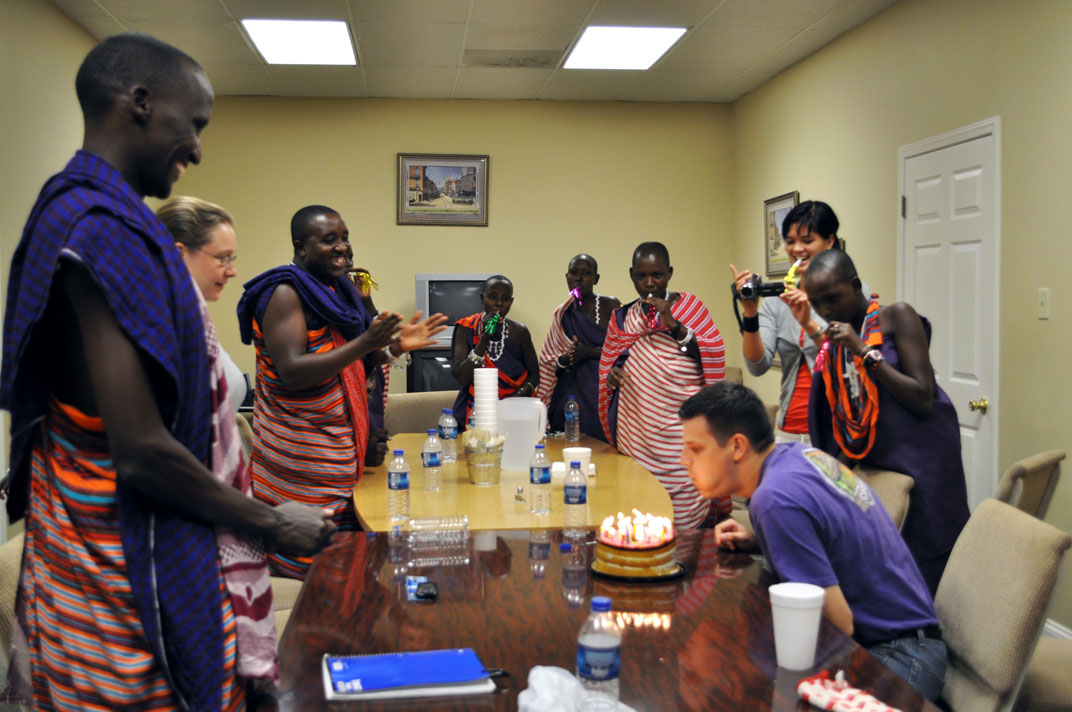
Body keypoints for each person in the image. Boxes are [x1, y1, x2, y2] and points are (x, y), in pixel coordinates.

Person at [0, 33, 334, 710]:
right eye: (195, 123)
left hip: (121, 552)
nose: (198, 149)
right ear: (141, 102)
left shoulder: (95, 215)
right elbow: (142, 451)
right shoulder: (100, 229)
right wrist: (272, 522)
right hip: (122, 575)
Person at [679, 382, 948, 702]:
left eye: (695, 449)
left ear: (737, 446)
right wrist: (759, 541)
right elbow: (826, 534)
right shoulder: (795, 456)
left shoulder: (775, 499)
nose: (684, 460)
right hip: (908, 640)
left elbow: (840, 624)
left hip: (896, 656)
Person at [237, 205, 446, 579]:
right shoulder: (285, 293)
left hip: (340, 458)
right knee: (314, 567)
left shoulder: (339, 292)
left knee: (347, 565)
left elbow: (351, 361)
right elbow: (292, 372)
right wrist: (366, 341)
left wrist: (394, 348)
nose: (342, 247)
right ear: (301, 247)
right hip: (300, 459)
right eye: (328, 239)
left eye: (345, 237)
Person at [804, 249, 969, 595]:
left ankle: (937, 628)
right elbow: (852, 415)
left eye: (832, 298)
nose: (825, 311)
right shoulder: (837, 342)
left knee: (931, 559)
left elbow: (922, 397)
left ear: (855, 286)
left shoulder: (896, 317)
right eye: (817, 303)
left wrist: (863, 351)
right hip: (882, 466)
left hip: (926, 457)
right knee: (891, 565)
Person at [598, 241, 731, 528]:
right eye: (641, 276)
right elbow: (609, 364)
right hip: (638, 433)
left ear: (669, 273)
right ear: (631, 275)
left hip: (682, 432)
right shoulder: (622, 317)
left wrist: (674, 325)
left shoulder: (691, 307)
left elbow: (712, 353)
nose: (649, 283)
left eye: (657, 275)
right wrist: (612, 376)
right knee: (641, 513)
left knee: (684, 513)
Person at [730, 200, 845, 443]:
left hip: (835, 431)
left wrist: (810, 324)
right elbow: (757, 366)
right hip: (788, 431)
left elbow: (848, 360)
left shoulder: (850, 294)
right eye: (790, 242)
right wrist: (750, 313)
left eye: (807, 240)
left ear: (829, 241)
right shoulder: (777, 300)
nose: (797, 249)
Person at [157, 195, 248, 410]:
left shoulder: (193, 315)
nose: (232, 271)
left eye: (232, 259)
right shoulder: (159, 322)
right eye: (223, 258)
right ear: (178, 254)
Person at [536, 254, 620, 440]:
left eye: (586, 273)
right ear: (567, 277)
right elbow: (549, 362)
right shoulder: (562, 313)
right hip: (570, 391)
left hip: (602, 390)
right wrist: (566, 359)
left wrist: (589, 352)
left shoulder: (610, 305)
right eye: (574, 273)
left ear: (596, 279)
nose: (579, 278)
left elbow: (623, 350)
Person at [450, 274, 539, 429]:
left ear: (511, 302)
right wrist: (484, 338)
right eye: (492, 297)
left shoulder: (519, 331)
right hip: (474, 411)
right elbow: (463, 378)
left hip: (513, 411)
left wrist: (516, 398)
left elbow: (535, 375)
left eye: (505, 299)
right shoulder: (466, 328)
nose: (499, 303)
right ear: (482, 298)